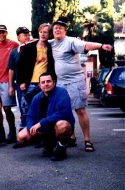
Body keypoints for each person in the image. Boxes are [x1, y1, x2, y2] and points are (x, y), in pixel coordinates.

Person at [49, 18, 113, 152]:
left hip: (75, 81)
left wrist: (101, 46)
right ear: (52, 31)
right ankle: (71, 137)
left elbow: (86, 45)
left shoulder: (71, 41)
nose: (58, 30)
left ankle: (87, 140)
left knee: (80, 110)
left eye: (61, 28)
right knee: (63, 111)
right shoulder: (51, 43)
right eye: (56, 28)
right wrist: (22, 46)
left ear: (65, 31)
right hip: (60, 82)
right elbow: (37, 43)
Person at [13, 72, 75, 161]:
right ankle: (48, 144)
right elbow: (30, 115)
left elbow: (63, 113)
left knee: (63, 125)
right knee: (21, 136)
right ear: (39, 85)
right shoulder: (37, 98)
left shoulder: (62, 93)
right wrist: (31, 128)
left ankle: (61, 148)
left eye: (48, 81)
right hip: (44, 129)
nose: (46, 84)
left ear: (54, 82)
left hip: (58, 127)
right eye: (43, 82)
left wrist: (40, 123)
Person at [17, 23, 56, 131]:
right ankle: (23, 133)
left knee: (43, 110)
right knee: (26, 110)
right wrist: (21, 82)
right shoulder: (29, 48)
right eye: (41, 32)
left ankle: (40, 134)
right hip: (30, 83)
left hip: (44, 84)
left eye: (46, 32)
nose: (43, 34)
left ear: (49, 34)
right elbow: (20, 66)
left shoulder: (51, 48)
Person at [0, 25, 19, 144]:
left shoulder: (13, 45)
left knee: (7, 108)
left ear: (6, 33)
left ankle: (12, 132)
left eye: (3, 32)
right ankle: (0, 132)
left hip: (7, 80)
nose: (1, 34)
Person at [7, 26, 31, 131]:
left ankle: (36, 131)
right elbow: (11, 69)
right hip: (20, 84)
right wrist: (11, 86)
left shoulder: (35, 48)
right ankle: (24, 128)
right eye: (24, 35)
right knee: (23, 107)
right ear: (18, 38)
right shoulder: (14, 52)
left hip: (33, 83)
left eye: (28, 34)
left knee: (36, 106)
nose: (27, 36)